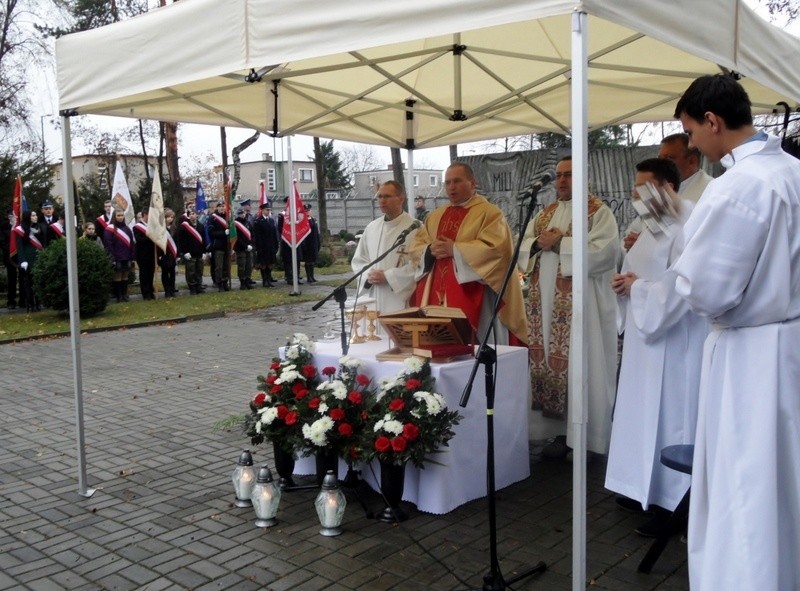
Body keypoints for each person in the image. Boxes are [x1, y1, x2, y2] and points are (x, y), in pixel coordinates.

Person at [670, 74, 800, 590]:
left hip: (750, 354)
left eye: (691, 133)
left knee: (744, 482)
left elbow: (708, 290)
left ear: (713, 121)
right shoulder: (791, 170)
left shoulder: (740, 186)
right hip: (787, 342)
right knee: (781, 478)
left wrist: (682, 271)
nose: (692, 145)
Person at [604, 158, 708, 537]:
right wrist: (626, 283)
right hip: (644, 343)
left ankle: (670, 503)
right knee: (641, 416)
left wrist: (639, 289)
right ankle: (641, 488)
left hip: (674, 344)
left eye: (642, 188)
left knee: (668, 420)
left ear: (666, 188)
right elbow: (641, 268)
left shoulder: (690, 225)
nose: (634, 195)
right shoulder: (654, 227)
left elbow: (684, 283)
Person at [519, 156, 619, 458]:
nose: (562, 181)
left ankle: (586, 438)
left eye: (569, 175)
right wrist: (538, 244)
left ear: (583, 178)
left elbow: (604, 252)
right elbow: (523, 245)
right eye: (559, 176)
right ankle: (558, 433)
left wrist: (561, 243)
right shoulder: (544, 214)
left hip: (580, 308)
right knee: (549, 362)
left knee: (581, 364)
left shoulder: (598, 213)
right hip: (544, 306)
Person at [408, 162, 527, 346]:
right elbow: (416, 247)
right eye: (447, 183)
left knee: (474, 345)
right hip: (436, 294)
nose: (451, 187)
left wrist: (455, 250)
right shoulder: (435, 216)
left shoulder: (489, 214)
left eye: (457, 181)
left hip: (475, 293)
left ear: (473, 183)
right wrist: (429, 250)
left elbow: (496, 250)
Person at [622, 133, 714, 253]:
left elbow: (705, 240)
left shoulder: (712, 191)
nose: (660, 163)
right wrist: (635, 241)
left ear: (692, 161)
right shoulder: (654, 190)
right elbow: (641, 229)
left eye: (668, 158)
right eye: (659, 158)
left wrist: (647, 243)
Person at [351, 180, 419, 315]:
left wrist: (389, 276)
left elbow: (420, 266)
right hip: (373, 295)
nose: (382, 200)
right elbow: (359, 260)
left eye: (387, 196)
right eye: (379, 197)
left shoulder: (416, 228)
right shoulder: (371, 227)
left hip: (399, 297)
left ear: (400, 198)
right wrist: (369, 275)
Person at [13, 211, 44, 312]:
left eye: (35, 215)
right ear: (28, 217)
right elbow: (20, 247)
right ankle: (31, 304)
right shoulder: (20, 230)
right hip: (28, 259)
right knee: (29, 283)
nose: (36, 217)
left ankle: (38, 303)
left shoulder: (37, 228)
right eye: (33, 215)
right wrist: (22, 260)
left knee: (37, 283)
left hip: (38, 258)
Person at [103, 209, 135, 303]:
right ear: (114, 216)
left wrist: (132, 256)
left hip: (127, 256)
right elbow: (108, 244)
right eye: (118, 215)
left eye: (122, 215)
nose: (120, 217)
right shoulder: (110, 228)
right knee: (117, 276)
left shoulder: (127, 229)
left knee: (125, 276)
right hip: (117, 257)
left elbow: (131, 243)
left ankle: (124, 295)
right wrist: (112, 257)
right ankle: (119, 296)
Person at [177, 208, 206, 295]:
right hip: (190, 252)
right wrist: (185, 252)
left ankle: (198, 286)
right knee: (191, 271)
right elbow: (182, 240)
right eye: (191, 214)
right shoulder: (184, 226)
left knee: (199, 270)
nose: (192, 215)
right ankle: (192, 287)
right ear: (188, 216)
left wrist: (204, 251)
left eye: (194, 213)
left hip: (199, 252)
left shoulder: (201, 226)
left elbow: (203, 239)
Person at [206, 199, 231, 291]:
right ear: (217, 208)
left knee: (226, 266)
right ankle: (219, 283)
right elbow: (211, 232)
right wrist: (223, 233)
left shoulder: (228, 217)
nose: (222, 208)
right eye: (220, 206)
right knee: (219, 267)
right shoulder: (213, 218)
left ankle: (225, 282)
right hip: (218, 246)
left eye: (223, 206)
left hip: (226, 246)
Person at [253, 201, 278, 288]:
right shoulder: (258, 221)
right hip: (263, 247)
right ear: (262, 210)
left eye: (269, 210)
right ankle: (265, 281)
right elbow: (257, 236)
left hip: (271, 246)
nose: (268, 211)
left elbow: (274, 234)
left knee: (270, 264)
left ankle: (268, 279)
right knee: (263, 264)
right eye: (267, 210)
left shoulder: (271, 220)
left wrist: (276, 245)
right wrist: (259, 247)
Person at [133, 211, 156, 300]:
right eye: (148, 215)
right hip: (142, 254)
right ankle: (145, 293)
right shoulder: (137, 227)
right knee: (144, 274)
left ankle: (151, 291)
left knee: (151, 273)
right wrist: (150, 236)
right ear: (144, 215)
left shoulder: (152, 226)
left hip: (152, 254)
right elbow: (139, 239)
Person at [157, 208, 179, 298]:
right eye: (168, 217)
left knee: (172, 273)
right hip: (164, 254)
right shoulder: (161, 229)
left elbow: (177, 242)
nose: (170, 219)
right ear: (164, 218)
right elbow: (158, 243)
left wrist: (178, 254)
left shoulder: (175, 228)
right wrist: (159, 255)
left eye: (172, 217)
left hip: (172, 253)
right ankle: (167, 290)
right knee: (165, 272)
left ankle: (172, 289)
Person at [232, 207, 254, 290]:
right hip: (240, 248)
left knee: (249, 265)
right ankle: (242, 282)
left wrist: (251, 244)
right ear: (238, 214)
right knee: (242, 266)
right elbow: (237, 238)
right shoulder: (235, 224)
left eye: (244, 213)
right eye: (241, 213)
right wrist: (245, 246)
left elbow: (252, 234)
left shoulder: (248, 223)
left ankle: (248, 280)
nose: (243, 214)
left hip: (249, 247)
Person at [1, 210, 18, 309]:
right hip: (9, 257)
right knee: (11, 279)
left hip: (20, 257)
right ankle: (11, 301)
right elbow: (2, 243)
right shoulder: (4, 228)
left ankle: (23, 300)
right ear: (9, 217)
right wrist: (12, 248)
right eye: (12, 216)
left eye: (15, 216)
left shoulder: (19, 227)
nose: (14, 217)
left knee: (23, 278)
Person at [303, 203, 321, 283]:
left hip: (314, 243)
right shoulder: (303, 221)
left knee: (312, 261)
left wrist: (318, 242)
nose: (307, 212)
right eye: (306, 211)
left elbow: (316, 233)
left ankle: (312, 276)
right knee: (308, 261)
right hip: (307, 244)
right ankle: (308, 277)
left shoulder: (313, 220)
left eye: (309, 210)